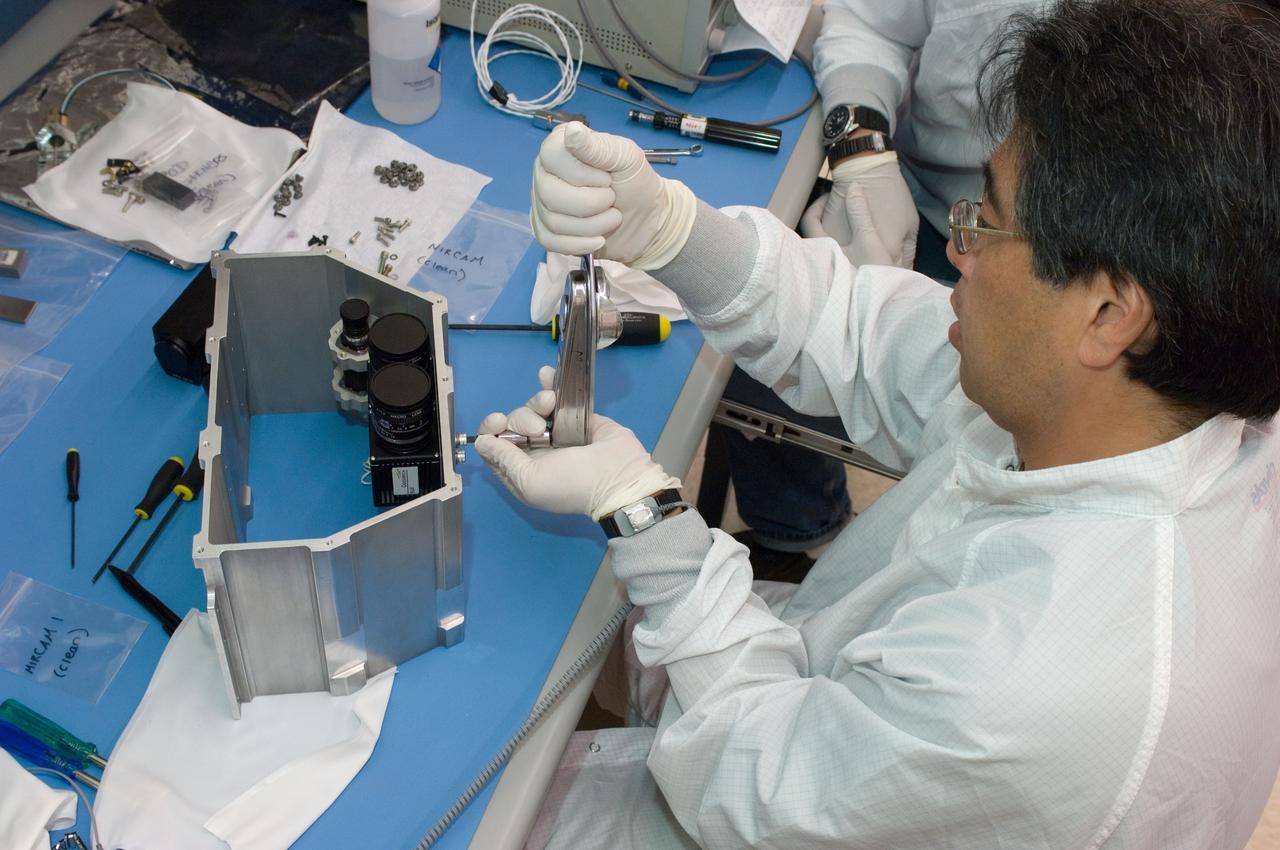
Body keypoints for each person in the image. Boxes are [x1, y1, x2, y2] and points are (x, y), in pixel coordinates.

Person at [479, 0, 1280, 846]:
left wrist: (645, 512)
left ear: (1110, 313)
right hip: (854, 700)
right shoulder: (1145, 398)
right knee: (600, 624)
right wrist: (670, 231)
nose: (958, 248)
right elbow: (870, 335)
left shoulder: (1033, 684)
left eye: (987, 218)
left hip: (780, 790)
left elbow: (754, 783)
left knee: (498, 809)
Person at [725, 0, 1043, 575]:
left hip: (1046, 262)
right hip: (917, 193)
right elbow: (867, 21)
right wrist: (861, 154)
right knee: (750, 316)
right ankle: (795, 529)